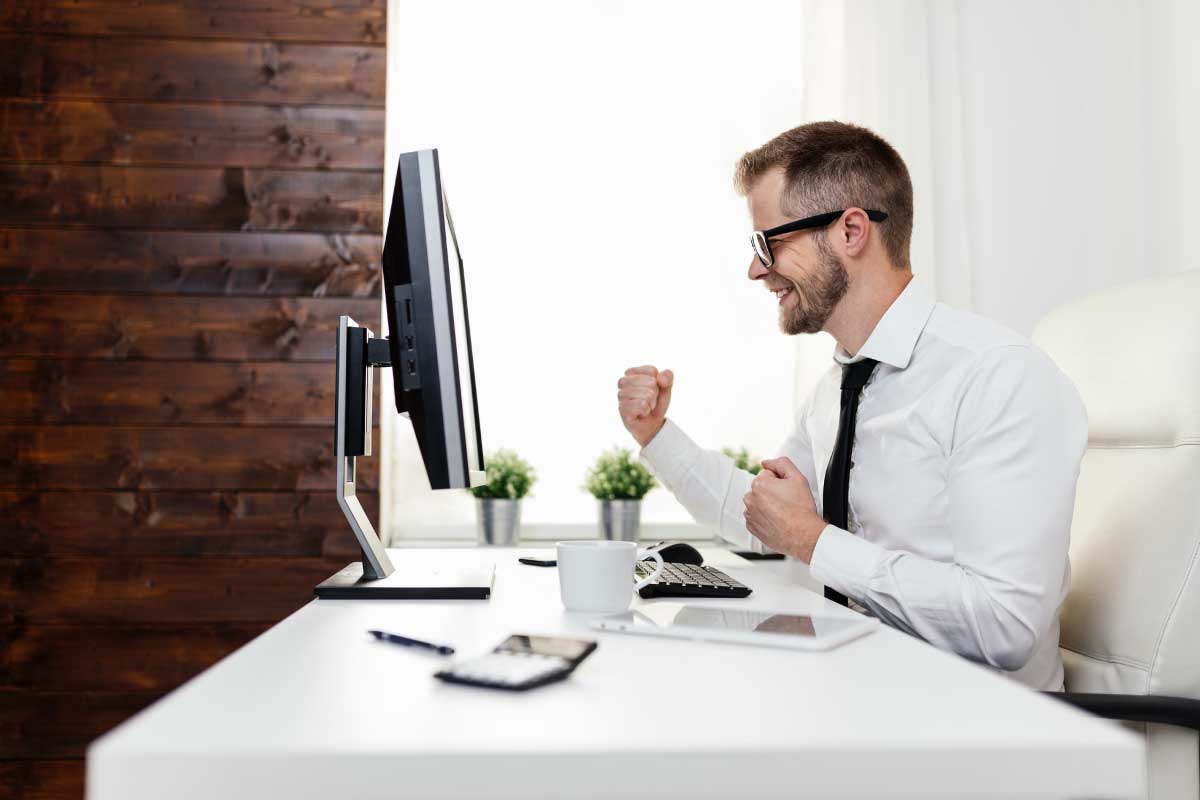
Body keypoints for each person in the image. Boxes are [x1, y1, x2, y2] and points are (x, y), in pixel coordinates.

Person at [616, 121, 1087, 691]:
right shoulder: (840, 386)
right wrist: (656, 435)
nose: (755, 269)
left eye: (769, 242)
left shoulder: (997, 378)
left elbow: (1005, 626)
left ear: (852, 231)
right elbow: (765, 520)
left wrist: (814, 541)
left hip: (980, 734)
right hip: (866, 693)